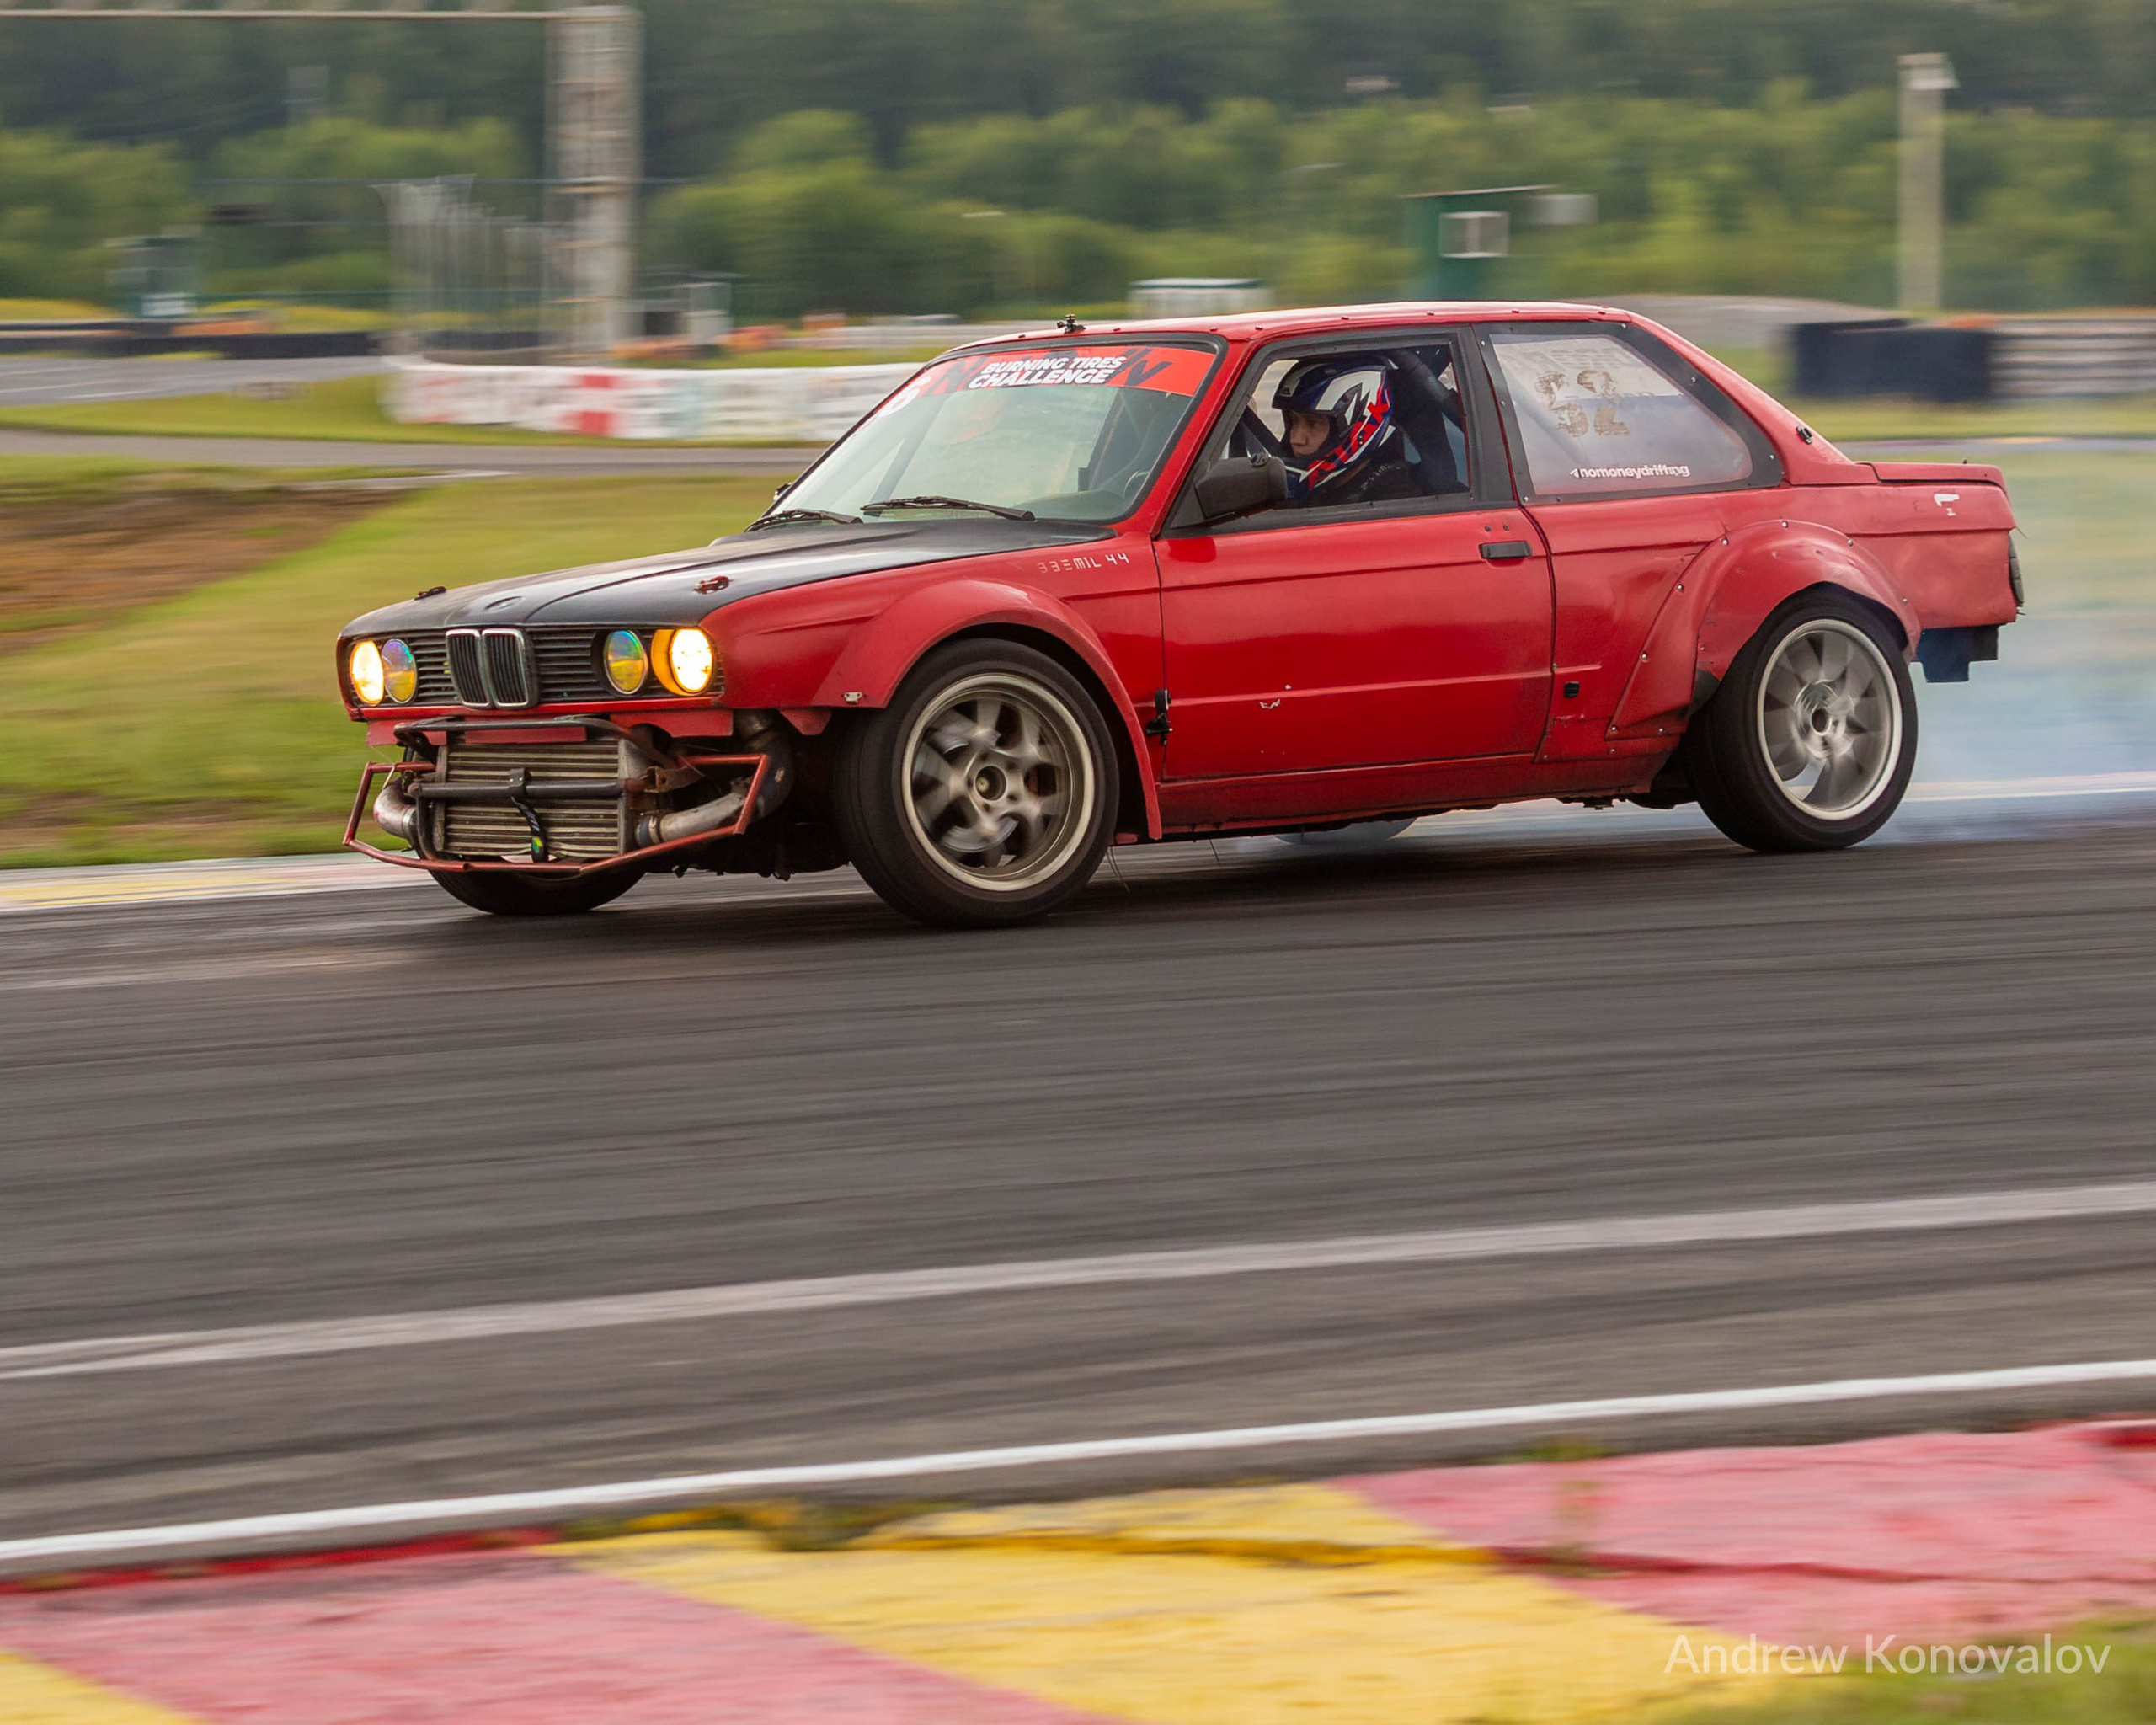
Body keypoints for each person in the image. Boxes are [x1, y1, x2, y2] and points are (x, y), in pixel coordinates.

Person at [1264, 349, 1467, 505]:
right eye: (1293, 421)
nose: (1296, 438)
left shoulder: (1394, 499)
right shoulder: (1322, 488)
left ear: (1356, 427)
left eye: (1313, 423)